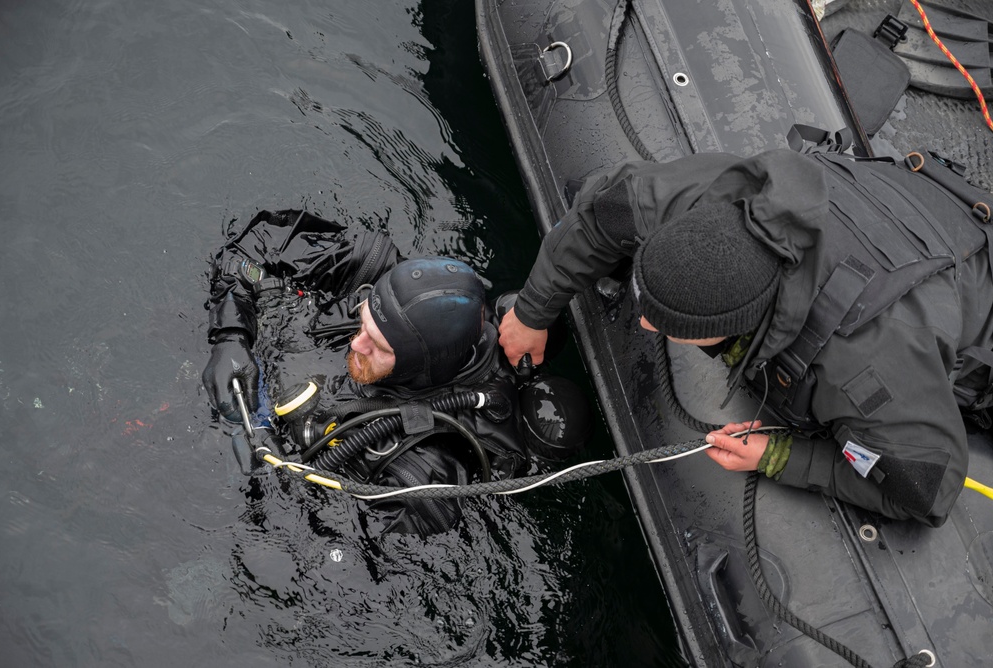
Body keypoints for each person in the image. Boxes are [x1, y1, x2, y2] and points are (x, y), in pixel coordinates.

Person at [498, 145, 993, 527]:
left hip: (958, 286)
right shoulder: (712, 204)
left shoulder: (860, 367)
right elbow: (607, 209)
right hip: (906, 207)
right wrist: (533, 310)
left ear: (729, 327)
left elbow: (927, 488)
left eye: (664, 322)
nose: (644, 322)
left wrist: (782, 456)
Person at [203, 209, 592, 535]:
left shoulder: (424, 469)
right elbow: (255, 246)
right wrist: (231, 336)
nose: (357, 344)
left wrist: (263, 450)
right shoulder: (384, 276)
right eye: (364, 321)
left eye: (378, 346)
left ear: (418, 368)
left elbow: (325, 539)